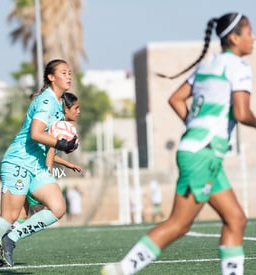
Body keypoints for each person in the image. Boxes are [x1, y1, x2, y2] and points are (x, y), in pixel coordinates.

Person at [102, 12, 254, 275]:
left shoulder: (208, 64)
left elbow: (176, 99)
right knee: (180, 224)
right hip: (203, 155)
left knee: (236, 219)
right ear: (234, 37)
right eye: (250, 32)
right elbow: (242, 113)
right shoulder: (238, 67)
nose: (253, 38)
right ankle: (122, 270)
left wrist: (195, 126)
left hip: (200, 152)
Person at [0, 59, 78, 275]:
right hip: (18, 161)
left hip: (35, 165)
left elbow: (49, 138)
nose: (69, 76)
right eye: (64, 72)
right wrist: (60, 143)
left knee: (58, 208)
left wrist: (64, 145)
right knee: (8, 217)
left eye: (70, 73)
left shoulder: (57, 103)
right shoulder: (46, 101)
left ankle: (12, 238)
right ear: (51, 77)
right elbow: (36, 134)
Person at [0, 92, 82, 268]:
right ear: (65, 108)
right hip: (30, 172)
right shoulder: (53, 125)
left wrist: (66, 163)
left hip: (32, 172)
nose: (79, 111)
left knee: (18, 217)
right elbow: (48, 154)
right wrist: (47, 177)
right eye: (76, 107)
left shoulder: (54, 123)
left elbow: (49, 153)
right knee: (28, 213)